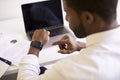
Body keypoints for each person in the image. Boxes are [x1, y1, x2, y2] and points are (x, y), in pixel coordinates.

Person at [17, 0, 120, 80]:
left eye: (67, 13)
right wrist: (82, 45)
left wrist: (35, 45)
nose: (66, 18)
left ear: (87, 18)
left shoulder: (71, 70)